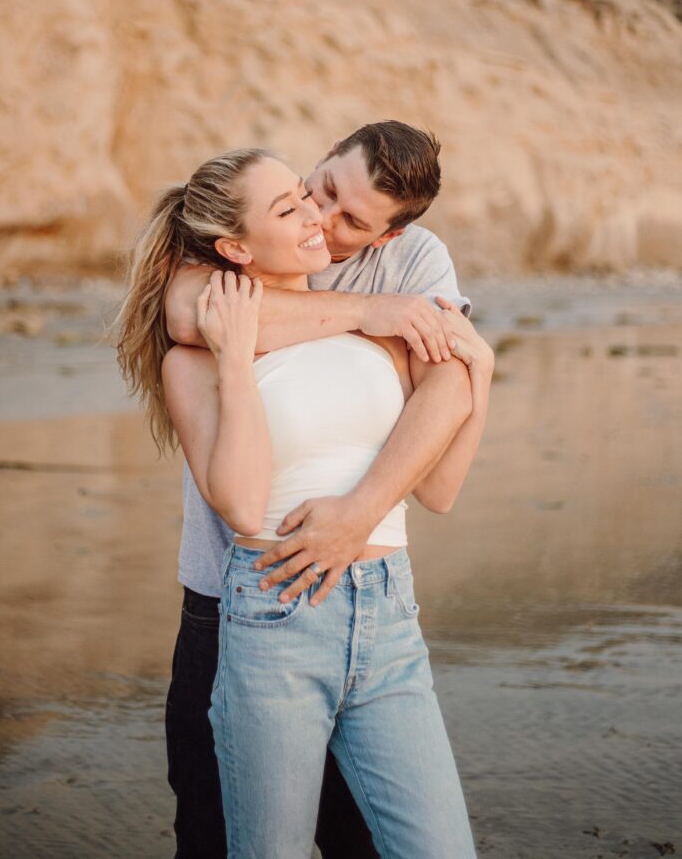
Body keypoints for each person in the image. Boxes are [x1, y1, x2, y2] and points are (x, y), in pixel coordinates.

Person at [116, 136, 494, 857]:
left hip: (387, 613)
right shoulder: (206, 330)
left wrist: (481, 372)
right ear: (234, 247)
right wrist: (236, 355)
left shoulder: (402, 275)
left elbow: (440, 475)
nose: (319, 217)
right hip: (257, 603)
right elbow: (238, 494)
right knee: (223, 835)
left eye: (346, 218)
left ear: (388, 234)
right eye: (303, 195)